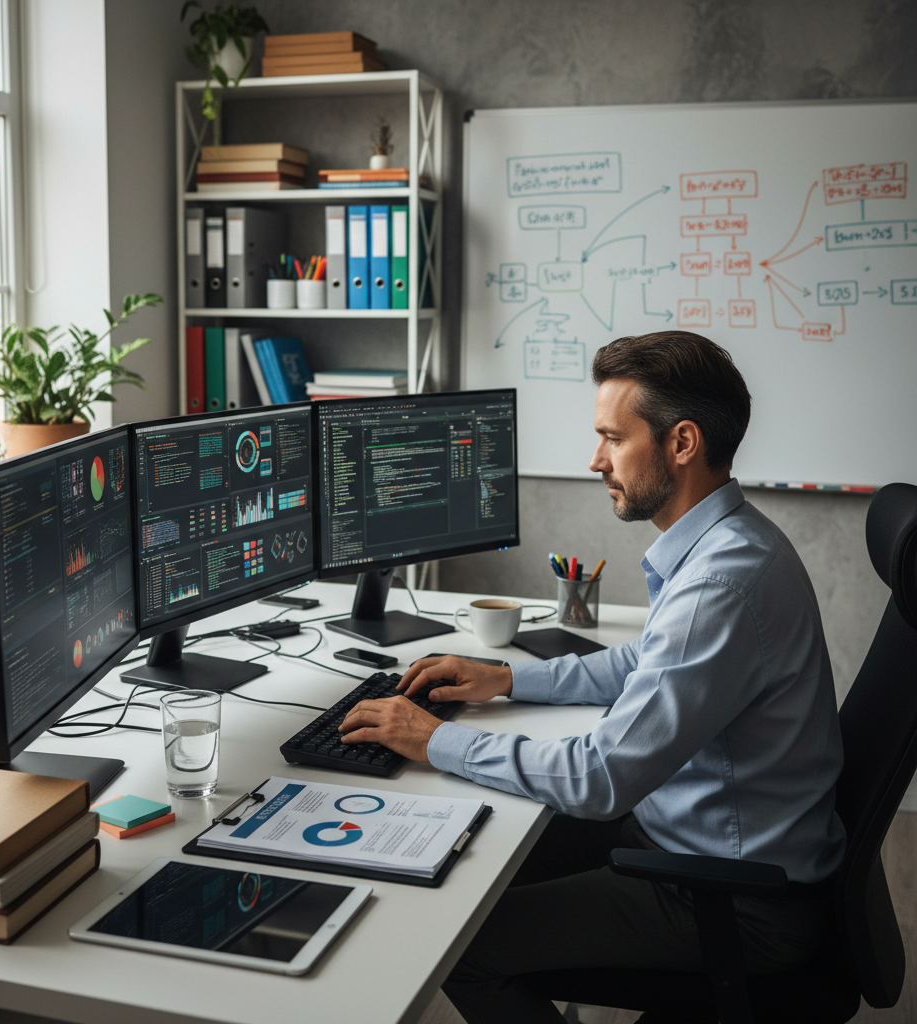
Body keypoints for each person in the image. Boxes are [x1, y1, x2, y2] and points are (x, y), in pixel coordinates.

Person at [338, 331, 846, 1024]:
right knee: (469, 841)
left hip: (735, 897)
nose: (595, 459)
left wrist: (435, 742)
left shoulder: (722, 585)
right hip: (692, 838)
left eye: (613, 437)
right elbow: (645, 662)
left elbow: (599, 779)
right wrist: (505, 679)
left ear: (682, 443)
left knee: (456, 941)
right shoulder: (730, 541)